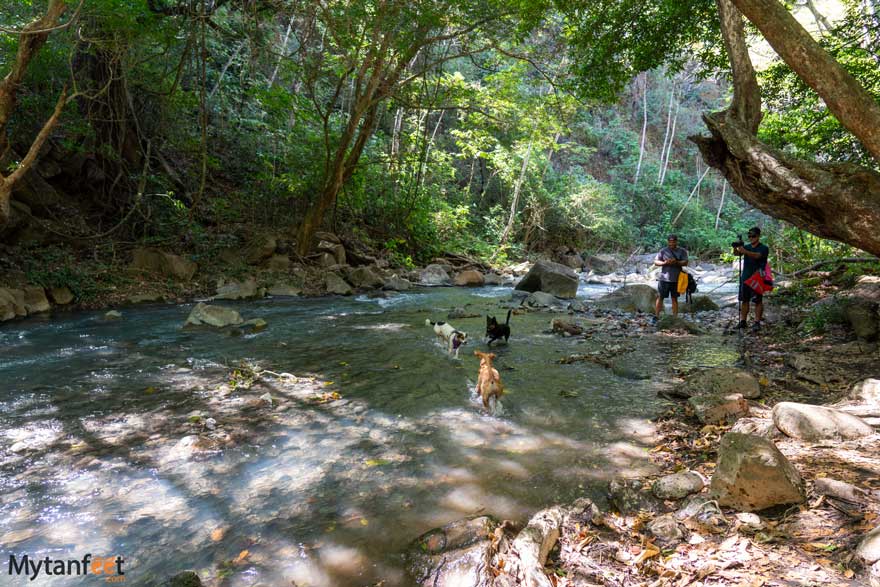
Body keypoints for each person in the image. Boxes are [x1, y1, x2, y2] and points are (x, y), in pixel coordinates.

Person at [735, 226, 770, 331]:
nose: (751, 238)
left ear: (758, 236)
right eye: (749, 236)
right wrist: (736, 247)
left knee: (758, 300)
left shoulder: (763, 248)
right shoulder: (746, 247)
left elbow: (757, 256)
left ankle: (757, 322)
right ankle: (743, 321)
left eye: (753, 236)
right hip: (745, 277)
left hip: (757, 277)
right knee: (744, 300)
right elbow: (737, 254)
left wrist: (744, 251)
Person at [654, 234, 688, 320]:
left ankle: (675, 318)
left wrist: (676, 262)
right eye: (670, 241)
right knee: (660, 297)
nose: (672, 243)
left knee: (674, 298)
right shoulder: (663, 251)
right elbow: (656, 262)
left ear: (676, 241)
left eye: (673, 241)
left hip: (676, 279)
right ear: (668, 241)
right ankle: (656, 316)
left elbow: (685, 262)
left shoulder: (682, 251)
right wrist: (665, 263)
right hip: (664, 278)